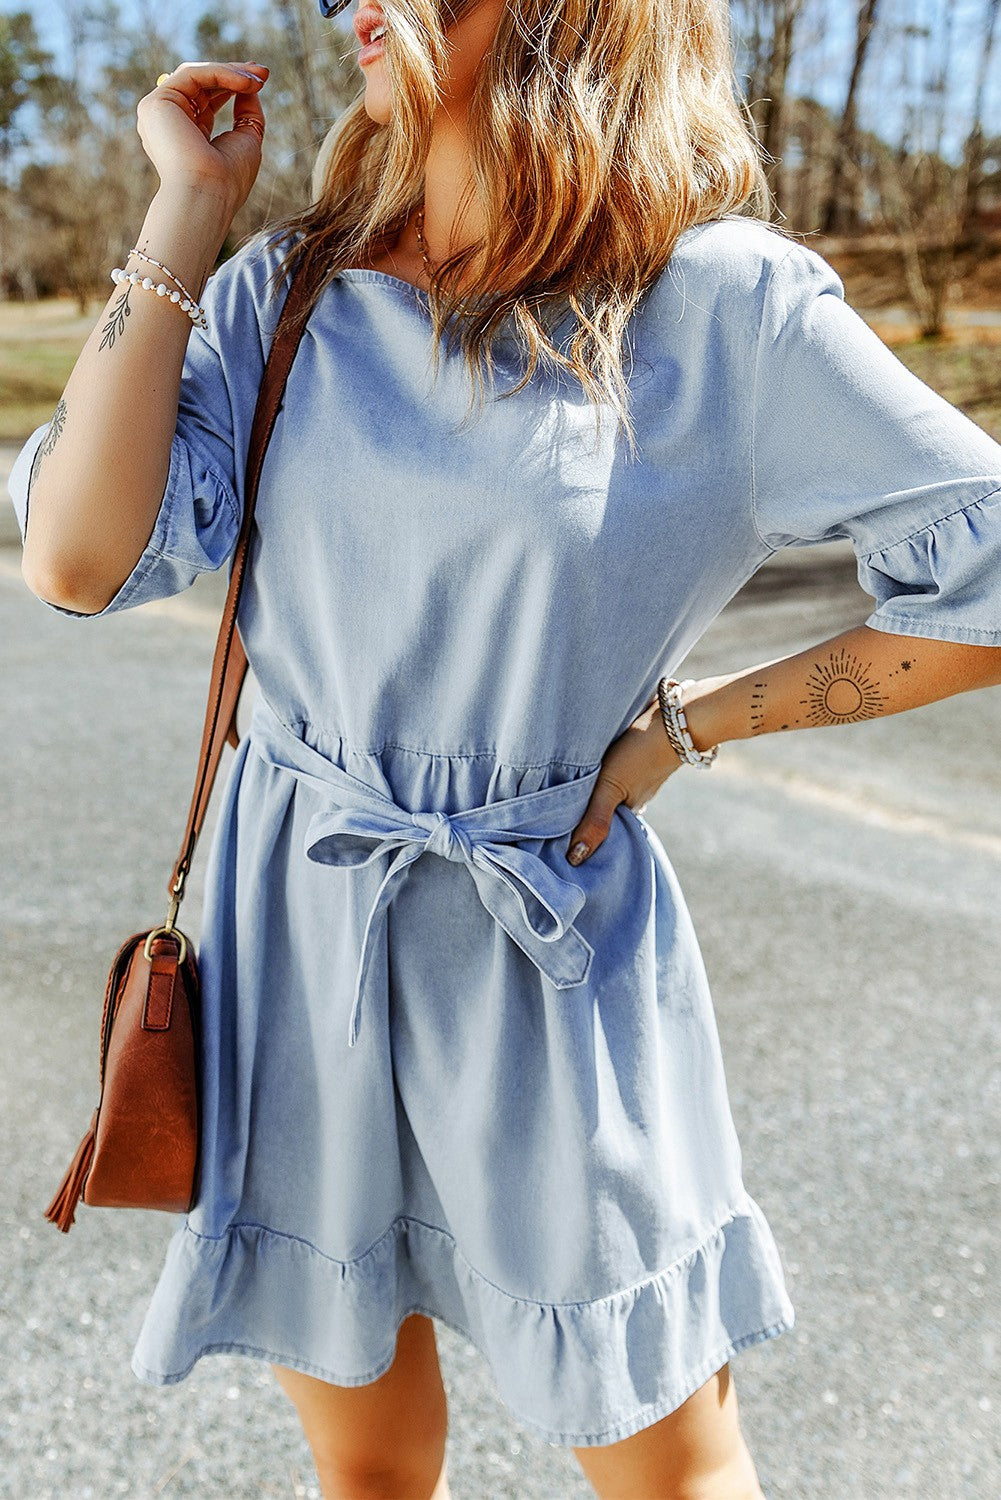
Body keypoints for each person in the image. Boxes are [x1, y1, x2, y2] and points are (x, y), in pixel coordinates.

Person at [9, 0, 1001, 1495]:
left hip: (547, 946)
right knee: (367, 1466)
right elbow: (77, 560)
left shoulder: (723, 308)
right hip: (300, 921)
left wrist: (689, 725)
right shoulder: (285, 290)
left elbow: (981, 569)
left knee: (668, 1464)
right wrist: (186, 209)